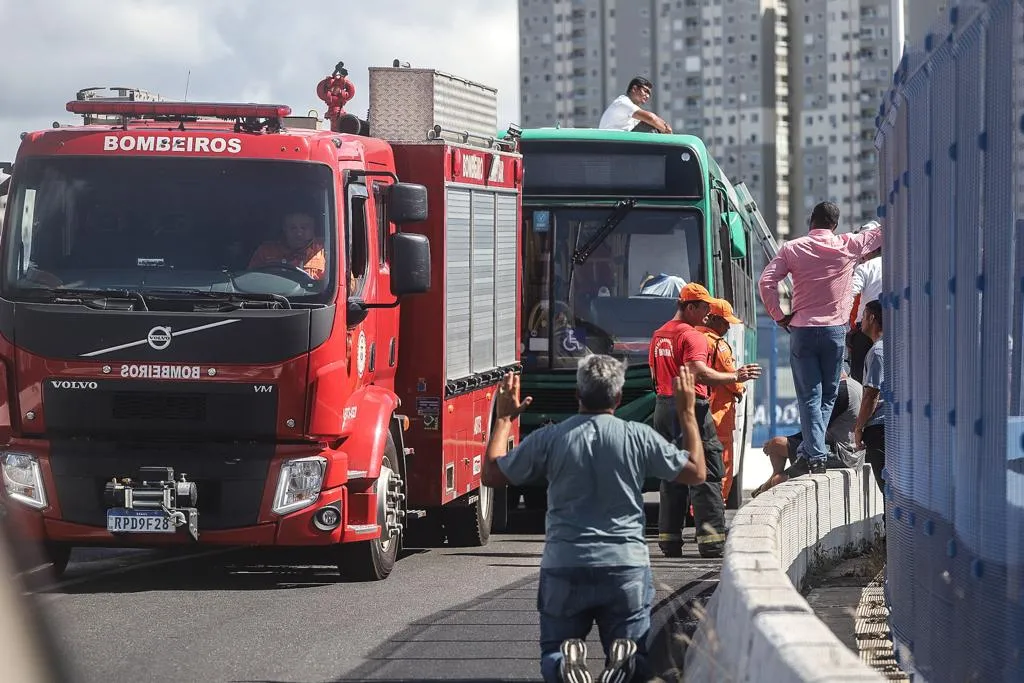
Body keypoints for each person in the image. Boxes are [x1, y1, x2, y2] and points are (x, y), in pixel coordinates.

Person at [481, 357, 706, 683]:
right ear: (618, 398)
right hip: (625, 566)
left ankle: (563, 663)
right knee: (635, 656)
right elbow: (696, 472)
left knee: (553, 650)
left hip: (565, 564)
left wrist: (503, 419)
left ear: (577, 395)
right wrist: (686, 413)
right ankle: (625, 660)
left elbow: (492, 473)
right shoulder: (638, 436)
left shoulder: (551, 438)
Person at [757, 202, 882, 475]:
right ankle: (814, 453)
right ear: (835, 226)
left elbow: (766, 282)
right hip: (834, 332)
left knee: (809, 395)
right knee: (828, 394)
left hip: (801, 330)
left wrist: (778, 315)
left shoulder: (792, 248)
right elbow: (879, 234)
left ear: (811, 221)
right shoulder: (847, 244)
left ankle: (813, 453)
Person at [649, 283, 761, 558]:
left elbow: (654, 371)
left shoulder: (659, 334)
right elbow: (698, 371)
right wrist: (736, 376)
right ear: (689, 307)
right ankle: (711, 542)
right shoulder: (693, 337)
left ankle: (670, 541)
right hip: (692, 406)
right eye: (703, 307)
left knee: (672, 473)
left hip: (663, 405)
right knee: (709, 471)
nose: (707, 313)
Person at [751, 373, 863, 497]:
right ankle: (770, 481)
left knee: (779, 479)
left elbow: (817, 429)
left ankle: (766, 488)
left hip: (837, 452)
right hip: (840, 449)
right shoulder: (853, 385)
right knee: (776, 444)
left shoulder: (841, 391)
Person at [696, 298, 746, 503]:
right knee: (722, 462)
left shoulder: (692, 337)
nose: (727, 327)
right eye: (725, 322)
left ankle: (697, 510)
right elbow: (731, 376)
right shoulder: (718, 345)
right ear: (713, 319)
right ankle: (717, 507)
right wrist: (740, 388)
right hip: (719, 414)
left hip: (697, 411)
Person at [854, 299, 886, 495]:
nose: (861, 322)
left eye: (864, 316)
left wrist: (859, 427)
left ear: (872, 318)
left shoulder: (877, 352)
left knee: (886, 488)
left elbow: (871, 395)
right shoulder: (894, 347)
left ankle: (888, 525)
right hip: (892, 428)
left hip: (879, 430)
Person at [248, 210, 326, 280]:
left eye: (304, 228)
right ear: (284, 229)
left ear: (313, 229)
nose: (299, 233)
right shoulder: (265, 252)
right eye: (293, 228)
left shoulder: (326, 251)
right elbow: (251, 280)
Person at [847, 247, 882, 382]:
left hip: (868, 328)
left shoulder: (866, 267)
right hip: (896, 327)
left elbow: (850, 294)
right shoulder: (900, 265)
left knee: (860, 379)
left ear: (872, 250)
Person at [598, 77, 672, 134]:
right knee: (649, 124)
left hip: (619, 143)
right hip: (612, 143)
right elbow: (651, 118)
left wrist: (663, 126)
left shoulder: (633, 111)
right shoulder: (622, 102)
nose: (647, 96)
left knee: (652, 125)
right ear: (634, 89)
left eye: (649, 94)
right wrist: (668, 132)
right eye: (645, 91)